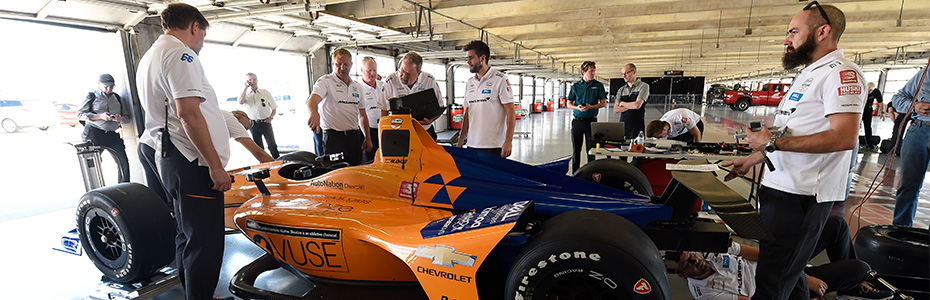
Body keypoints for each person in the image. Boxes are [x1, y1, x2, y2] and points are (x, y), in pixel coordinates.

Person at [721, 3, 866, 300]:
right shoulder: (808, 73)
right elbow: (792, 134)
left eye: (794, 31)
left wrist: (771, 144)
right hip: (779, 189)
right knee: (789, 274)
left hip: (802, 196)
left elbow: (844, 137)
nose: (787, 39)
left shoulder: (841, 74)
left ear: (822, 31)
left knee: (773, 279)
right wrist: (754, 158)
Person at [134, 4, 233, 299]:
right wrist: (215, 166)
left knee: (187, 234)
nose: (201, 41)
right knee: (205, 239)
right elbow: (188, 114)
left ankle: (195, 293)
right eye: (202, 34)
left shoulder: (152, 54)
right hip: (190, 160)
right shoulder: (181, 53)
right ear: (194, 27)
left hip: (171, 156)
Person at [679, 216, 893, 300]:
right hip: (784, 292)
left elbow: (764, 254)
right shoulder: (705, 294)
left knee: (836, 225)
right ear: (682, 274)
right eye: (688, 263)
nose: (695, 260)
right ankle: (849, 285)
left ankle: (850, 290)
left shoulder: (711, 251)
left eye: (692, 255)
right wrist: (799, 280)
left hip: (784, 269)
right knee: (860, 268)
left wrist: (797, 270)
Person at [139, 110, 274, 204]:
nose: (245, 130)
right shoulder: (230, 118)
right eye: (246, 125)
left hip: (146, 144)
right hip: (162, 146)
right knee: (178, 200)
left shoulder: (215, 114)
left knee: (161, 199)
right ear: (239, 116)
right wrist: (279, 167)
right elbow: (258, 152)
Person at [306, 48, 372, 166]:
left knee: (355, 173)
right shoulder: (325, 82)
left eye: (346, 64)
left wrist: (368, 137)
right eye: (338, 64)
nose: (342, 68)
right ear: (333, 63)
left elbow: (362, 115)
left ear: (351, 64)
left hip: (354, 138)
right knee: (336, 176)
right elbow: (312, 101)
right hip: (334, 139)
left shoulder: (357, 86)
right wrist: (313, 113)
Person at [455, 40, 516, 157]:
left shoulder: (500, 80)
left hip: (494, 146)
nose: (468, 62)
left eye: (471, 58)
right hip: (472, 145)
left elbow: (511, 112)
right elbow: (468, 114)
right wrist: (461, 140)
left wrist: (508, 142)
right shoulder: (469, 83)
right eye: (467, 58)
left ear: (482, 58)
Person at [890, 65, 930, 227]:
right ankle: (901, 231)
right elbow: (898, 98)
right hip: (919, 130)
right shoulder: (926, 73)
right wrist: (914, 107)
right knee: (908, 186)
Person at [78, 73, 130, 182]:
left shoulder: (118, 98)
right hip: (95, 132)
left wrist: (121, 119)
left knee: (123, 162)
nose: (109, 89)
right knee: (94, 164)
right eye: (106, 86)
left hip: (112, 134)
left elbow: (128, 117)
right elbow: (80, 115)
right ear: (99, 84)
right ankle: (95, 189)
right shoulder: (91, 96)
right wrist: (100, 116)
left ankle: (124, 187)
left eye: (111, 86)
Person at [383, 51, 445, 140]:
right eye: (402, 70)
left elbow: (440, 107)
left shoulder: (429, 80)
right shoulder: (390, 81)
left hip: (424, 132)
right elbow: (384, 111)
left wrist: (430, 121)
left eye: (408, 74)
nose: (403, 76)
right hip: (399, 133)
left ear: (419, 73)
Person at [566, 61, 607, 172]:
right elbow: (568, 103)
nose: (593, 73)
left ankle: (592, 174)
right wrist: (578, 108)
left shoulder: (598, 86)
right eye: (591, 71)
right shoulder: (575, 86)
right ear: (583, 72)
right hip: (577, 122)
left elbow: (603, 103)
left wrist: (591, 107)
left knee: (591, 150)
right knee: (576, 150)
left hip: (591, 122)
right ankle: (575, 173)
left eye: (594, 71)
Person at [238, 72, 280, 158]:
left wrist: (271, 117)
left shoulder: (265, 92)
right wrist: (245, 87)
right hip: (253, 124)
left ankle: (278, 162)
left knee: (272, 145)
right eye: (250, 80)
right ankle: (263, 165)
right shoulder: (246, 94)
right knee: (258, 147)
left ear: (257, 80)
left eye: (254, 79)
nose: (252, 81)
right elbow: (241, 102)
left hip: (265, 122)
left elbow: (274, 108)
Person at [359, 57, 388, 162]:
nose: (372, 73)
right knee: (370, 162)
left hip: (385, 130)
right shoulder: (358, 88)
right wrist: (367, 137)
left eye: (374, 70)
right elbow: (360, 115)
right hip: (368, 132)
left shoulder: (383, 85)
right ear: (362, 70)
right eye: (369, 70)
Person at [614, 63, 650, 140]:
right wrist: (632, 105)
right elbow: (616, 109)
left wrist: (623, 103)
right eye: (622, 74)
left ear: (634, 72)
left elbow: (637, 105)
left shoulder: (643, 86)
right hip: (623, 126)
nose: (624, 76)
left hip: (637, 126)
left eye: (626, 73)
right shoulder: (621, 90)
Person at [861, 82, 885, 151]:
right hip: (860, 109)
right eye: (868, 90)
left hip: (868, 110)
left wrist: (882, 112)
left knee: (868, 127)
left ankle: (869, 145)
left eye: (871, 90)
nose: (869, 92)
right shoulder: (862, 90)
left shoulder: (876, 92)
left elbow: (880, 102)